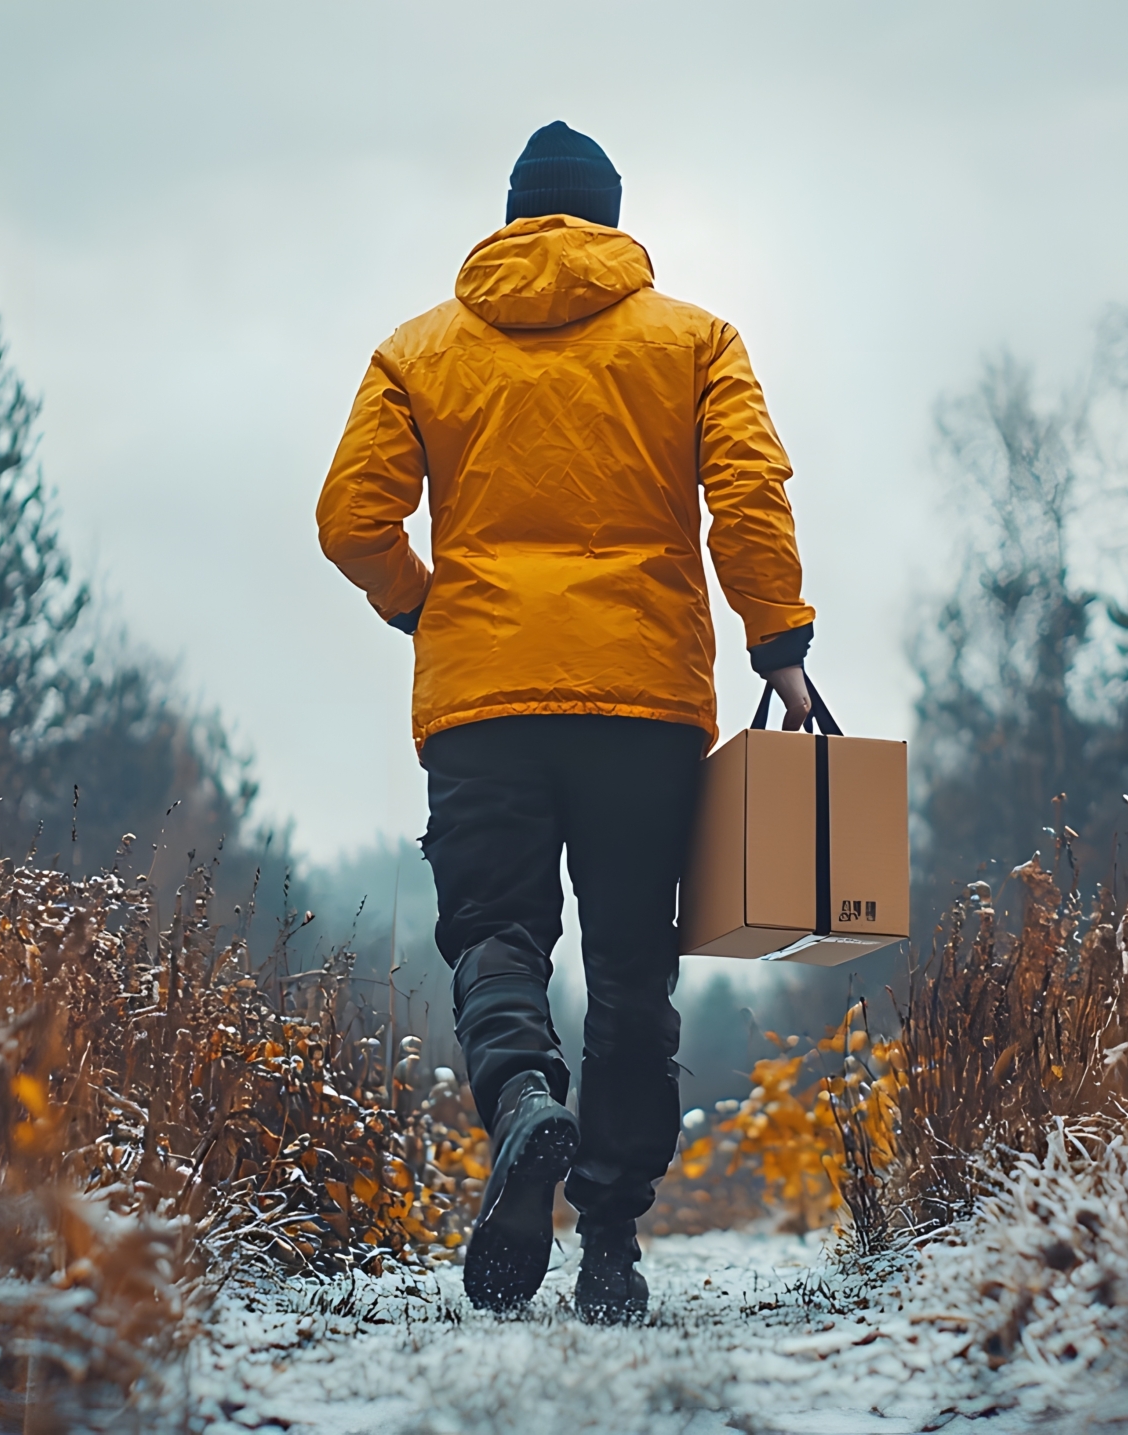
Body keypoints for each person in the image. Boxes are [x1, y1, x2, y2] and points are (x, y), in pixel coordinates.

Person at [316, 121, 815, 1323]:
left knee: (493, 934)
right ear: (609, 218)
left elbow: (350, 519)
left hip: (483, 704)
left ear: (510, 218)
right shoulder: (692, 339)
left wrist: (423, 607)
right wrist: (779, 643)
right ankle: (608, 1246)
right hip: (641, 708)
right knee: (634, 966)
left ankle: (523, 1096)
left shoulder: (418, 350)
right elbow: (746, 494)